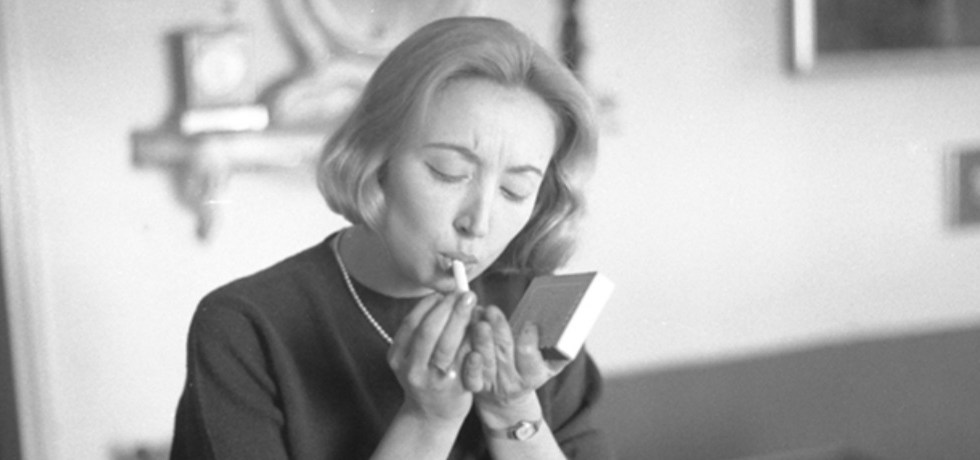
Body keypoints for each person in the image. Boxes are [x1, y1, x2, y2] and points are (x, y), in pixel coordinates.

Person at [169, 16, 612, 459]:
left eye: (515, 190)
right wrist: (427, 422)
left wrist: (512, 412)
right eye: (448, 172)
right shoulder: (244, 328)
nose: (477, 223)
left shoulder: (530, 311)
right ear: (377, 158)